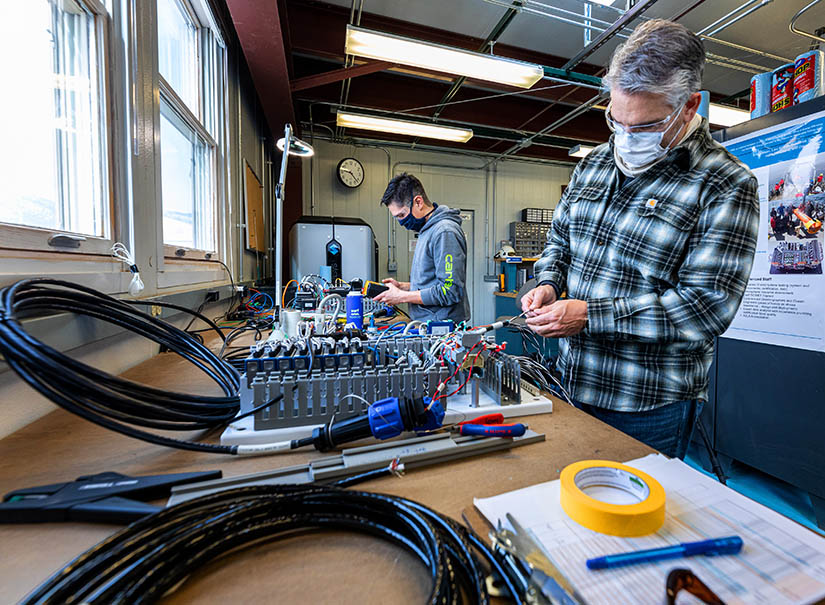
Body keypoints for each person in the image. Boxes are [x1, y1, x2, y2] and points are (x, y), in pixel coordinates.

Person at [520, 19, 759, 459]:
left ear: (688, 106)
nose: (626, 139)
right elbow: (559, 240)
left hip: (649, 405)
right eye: (616, 120)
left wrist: (591, 316)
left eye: (645, 126)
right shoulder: (593, 164)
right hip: (573, 382)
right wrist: (548, 282)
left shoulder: (725, 184)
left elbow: (705, 309)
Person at [374, 173, 470, 324]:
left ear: (418, 202)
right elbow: (431, 284)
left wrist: (401, 297)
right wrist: (403, 287)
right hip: (426, 324)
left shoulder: (444, 231)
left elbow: (450, 291)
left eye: (402, 215)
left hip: (441, 328)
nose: (401, 222)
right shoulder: (427, 230)